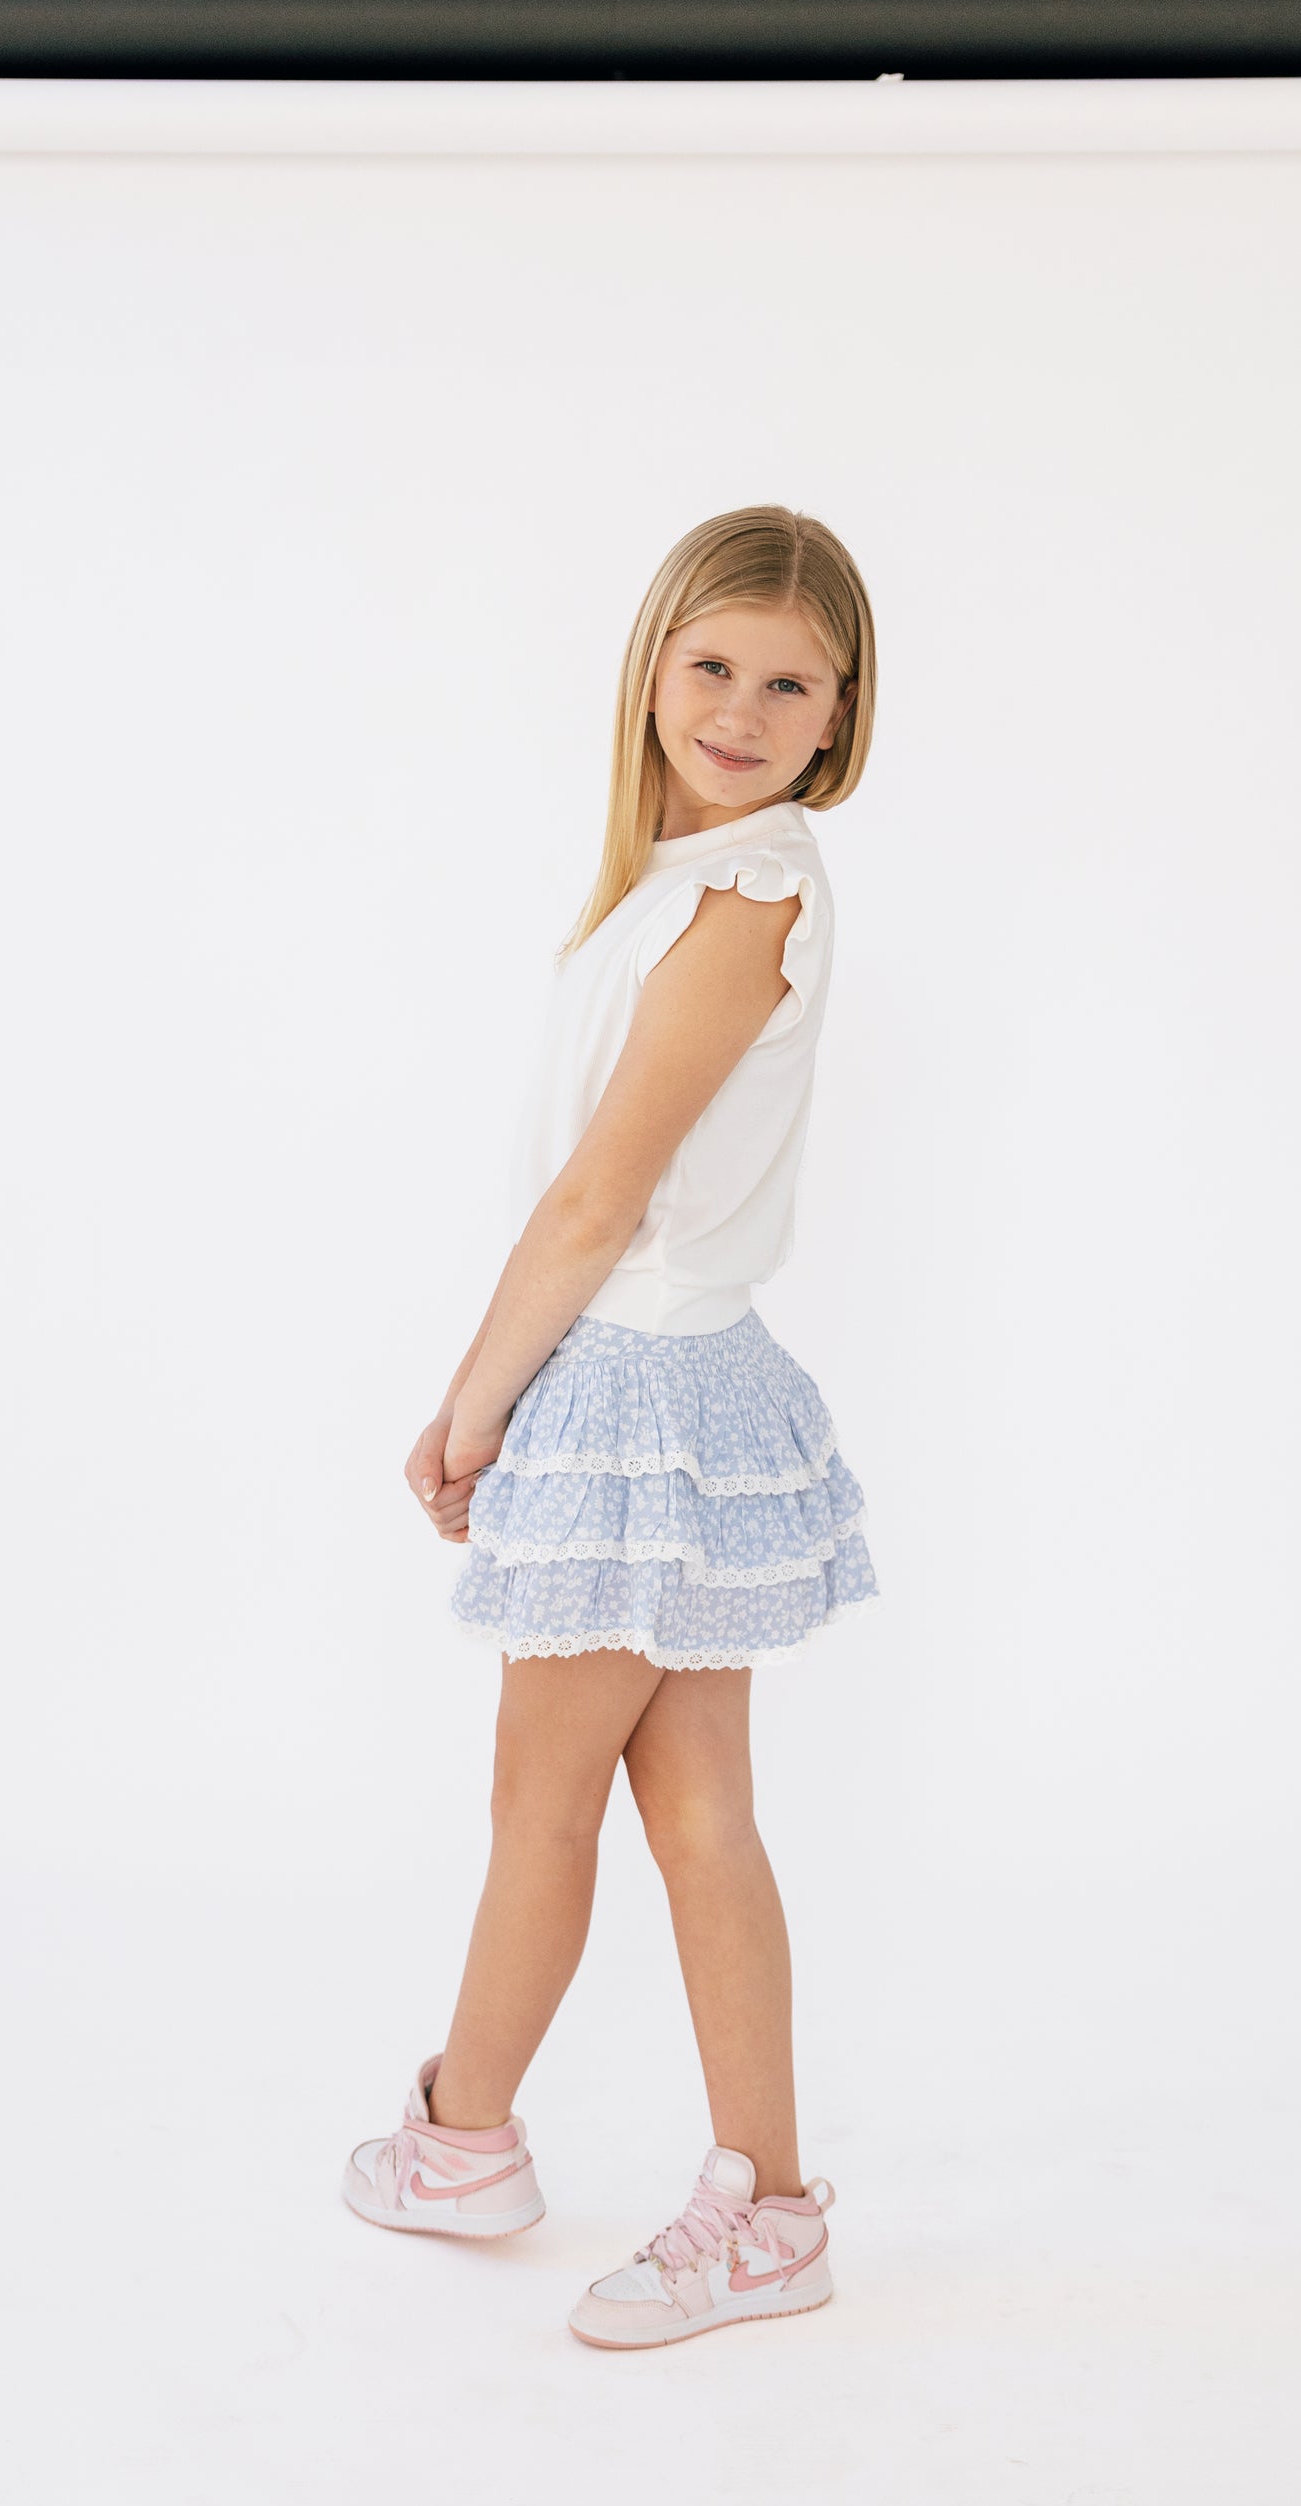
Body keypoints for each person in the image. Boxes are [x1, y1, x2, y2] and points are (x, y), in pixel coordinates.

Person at [342, 505, 880, 2349]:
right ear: (652, 666)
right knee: (697, 1809)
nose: (741, 709)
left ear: (842, 711)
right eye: (713, 664)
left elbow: (596, 1202)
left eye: (791, 683)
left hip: (631, 1381)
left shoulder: (746, 901)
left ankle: (462, 2142)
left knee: (544, 1804)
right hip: (677, 1373)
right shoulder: (691, 880)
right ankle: (769, 2212)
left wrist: (471, 1406)